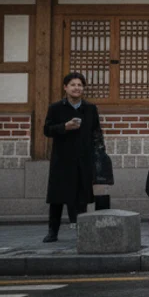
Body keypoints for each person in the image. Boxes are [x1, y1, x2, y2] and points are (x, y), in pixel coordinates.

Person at [43, 72, 104, 243]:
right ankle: (52, 231)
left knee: (81, 197)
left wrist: (99, 153)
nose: (77, 88)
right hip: (61, 159)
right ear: (65, 88)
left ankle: (82, 231)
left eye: (80, 85)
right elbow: (47, 130)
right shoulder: (55, 108)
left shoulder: (90, 108)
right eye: (73, 85)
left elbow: (96, 132)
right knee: (57, 197)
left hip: (84, 158)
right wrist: (64, 127)